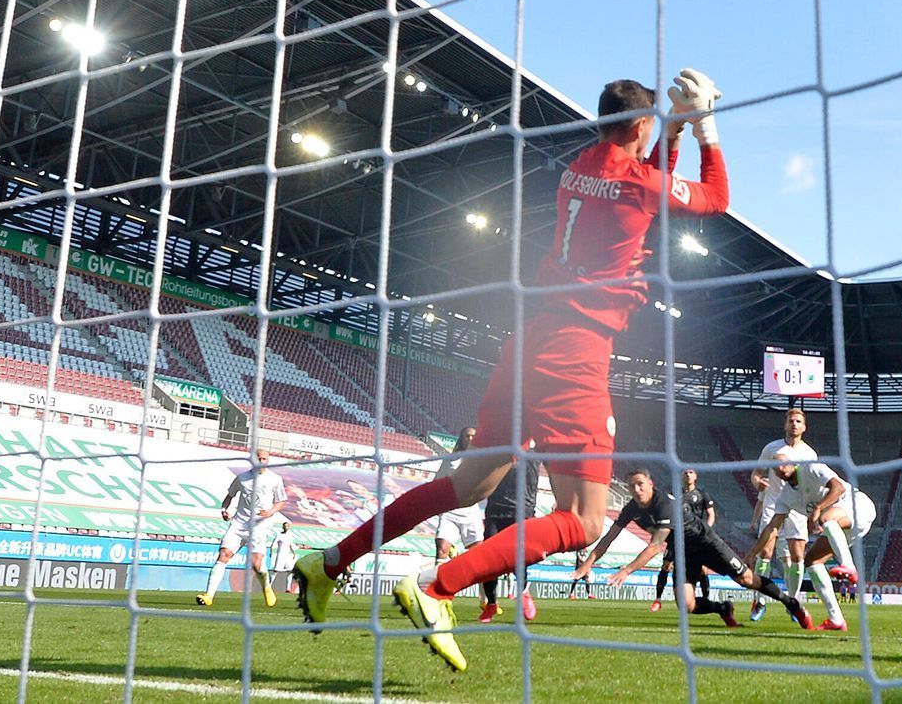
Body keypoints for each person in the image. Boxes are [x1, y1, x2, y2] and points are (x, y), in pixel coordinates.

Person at [293, 70, 731, 672]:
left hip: (526, 342)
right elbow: (715, 198)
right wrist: (701, 125)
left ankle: (329, 563)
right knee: (582, 519)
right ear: (637, 128)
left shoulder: (586, 165)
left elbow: (648, 177)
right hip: (575, 354)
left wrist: (672, 125)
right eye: (651, 125)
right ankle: (436, 587)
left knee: (469, 486)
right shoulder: (633, 182)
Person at [571, 469, 812, 629]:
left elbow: (655, 545)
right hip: (683, 551)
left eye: (640, 484)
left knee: (747, 580)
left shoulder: (664, 504)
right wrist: (589, 562)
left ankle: (791, 603)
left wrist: (627, 570)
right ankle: (722, 607)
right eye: (631, 486)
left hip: (706, 542)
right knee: (685, 606)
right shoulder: (631, 508)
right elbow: (609, 536)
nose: (636, 490)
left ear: (651, 484)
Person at [752, 452, 876, 632]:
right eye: (776, 467)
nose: (781, 468)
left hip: (859, 507)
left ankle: (849, 567)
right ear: (775, 474)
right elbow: (772, 528)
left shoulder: (811, 468)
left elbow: (838, 487)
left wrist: (818, 508)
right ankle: (836, 619)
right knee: (812, 562)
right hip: (843, 528)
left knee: (826, 519)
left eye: (784, 464)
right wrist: (751, 554)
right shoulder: (785, 497)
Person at [748, 408, 817, 622]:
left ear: (804, 427)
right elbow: (756, 473)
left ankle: (793, 603)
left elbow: (813, 483)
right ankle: (759, 601)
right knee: (765, 553)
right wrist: (758, 483)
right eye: (791, 421)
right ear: (785, 425)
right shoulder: (772, 448)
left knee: (797, 557)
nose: (794, 424)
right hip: (773, 505)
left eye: (798, 421)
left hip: (797, 508)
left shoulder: (810, 454)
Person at [199, 450, 288, 608]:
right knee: (224, 555)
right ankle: (208, 595)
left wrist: (270, 512)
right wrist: (224, 510)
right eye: (259, 458)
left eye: (264, 459)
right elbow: (229, 497)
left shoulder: (274, 479)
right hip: (239, 524)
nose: (262, 461)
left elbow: (281, 501)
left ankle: (267, 588)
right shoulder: (242, 478)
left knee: (256, 564)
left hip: (259, 526)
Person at [478, 448, 543, 623]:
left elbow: (553, 469)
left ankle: (523, 593)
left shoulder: (537, 448)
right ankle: (491, 603)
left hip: (523, 509)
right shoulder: (500, 446)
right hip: (495, 509)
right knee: (489, 561)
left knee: (518, 557)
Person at [652, 468, 715, 612]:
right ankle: (658, 600)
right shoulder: (675, 494)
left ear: (696, 476)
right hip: (677, 536)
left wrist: (706, 530)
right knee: (666, 565)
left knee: (703, 570)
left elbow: (711, 514)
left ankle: (706, 598)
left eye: (691, 472)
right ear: (682, 476)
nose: (688, 474)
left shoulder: (702, 495)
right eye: (685, 472)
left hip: (696, 536)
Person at [434, 428, 486, 567]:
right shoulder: (450, 460)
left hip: (470, 511)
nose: (469, 438)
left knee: (478, 553)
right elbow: (437, 482)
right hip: (450, 510)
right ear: (461, 438)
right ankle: (434, 587)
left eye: (472, 436)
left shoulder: (482, 460)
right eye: (467, 436)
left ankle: (482, 588)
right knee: (441, 550)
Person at [269, 522, 299, 595]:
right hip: (280, 555)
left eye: (287, 526)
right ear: (283, 527)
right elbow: (273, 544)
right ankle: (269, 586)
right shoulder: (279, 535)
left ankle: (288, 588)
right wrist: (272, 552)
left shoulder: (290, 535)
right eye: (285, 526)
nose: (286, 527)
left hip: (287, 556)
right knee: (276, 570)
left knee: (290, 571)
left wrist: (293, 553)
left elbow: (290, 544)